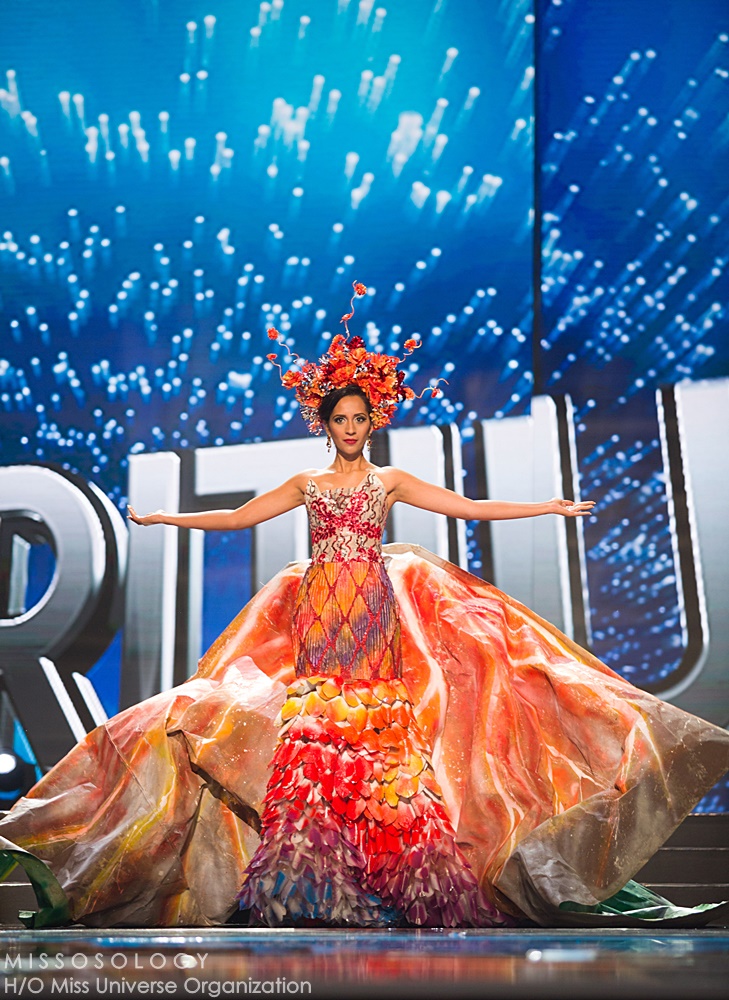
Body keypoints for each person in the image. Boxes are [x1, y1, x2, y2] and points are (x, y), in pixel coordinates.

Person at [0, 283, 727, 929]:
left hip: (374, 614)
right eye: (340, 419)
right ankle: (316, 882)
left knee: (379, 740)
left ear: (370, 422)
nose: (350, 428)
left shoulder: (388, 481)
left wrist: (547, 505)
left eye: (359, 418)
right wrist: (168, 523)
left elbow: (468, 507)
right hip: (320, 615)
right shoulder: (309, 485)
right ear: (327, 424)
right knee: (317, 738)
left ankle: (392, 881)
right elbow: (236, 520)